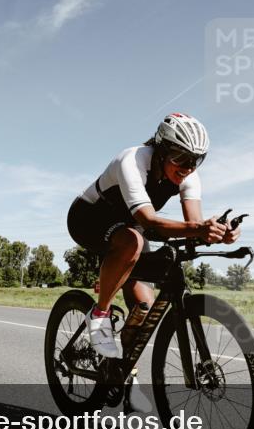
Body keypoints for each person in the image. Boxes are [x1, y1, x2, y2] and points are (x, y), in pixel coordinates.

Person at [67, 113, 237, 358]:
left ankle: (121, 369)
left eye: (196, 160)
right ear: (160, 149)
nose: (187, 167)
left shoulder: (188, 176)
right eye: (180, 157)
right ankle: (99, 315)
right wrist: (200, 229)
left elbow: (194, 225)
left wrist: (220, 233)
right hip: (89, 219)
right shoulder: (132, 160)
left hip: (128, 228)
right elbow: (148, 220)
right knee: (132, 241)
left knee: (143, 308)